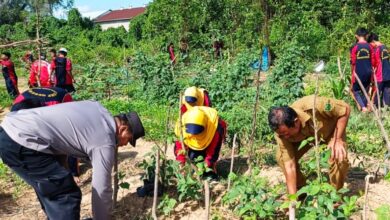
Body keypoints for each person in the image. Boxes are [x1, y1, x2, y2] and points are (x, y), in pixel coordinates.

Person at [0, 100, 145, 220]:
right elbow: (102, 188)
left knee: (55, 190)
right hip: (22, 141)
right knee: (65, 196)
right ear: (122, 128)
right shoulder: (105, 141)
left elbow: (63, 139)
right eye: (129, 139)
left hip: (13, 128)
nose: (125, 144)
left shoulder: (96, 107)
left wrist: (64, 172)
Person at [268, 95, 350, 197]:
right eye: (281, 134)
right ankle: (301, 191)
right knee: (281, 158)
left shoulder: (317, 105)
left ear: (296, 122)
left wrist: (337, 139)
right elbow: (289, 165)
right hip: (302, 138)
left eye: (286, 133)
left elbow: (345, 109)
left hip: (330, 133)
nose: (284, 137)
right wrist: (292, 199)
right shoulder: (281, 132)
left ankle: (335, 195)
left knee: (337, 155)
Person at [174, 106, 227, 180]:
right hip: (192, 145)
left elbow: (212, 152)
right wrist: (181, 163)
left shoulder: (216, 128)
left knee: (208, 173)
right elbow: (180, 146)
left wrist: (202, 168)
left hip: (208, 144)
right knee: (192, 158)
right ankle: (192, 166)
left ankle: (209, 171)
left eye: (198, 133)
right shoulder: (181, 125)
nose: (196, 136)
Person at [350, 27, 374, 112]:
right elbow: (372, 61)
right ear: (366, 35)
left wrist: (352, 73)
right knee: (366, 90)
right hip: (368, 72)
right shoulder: (370, 46)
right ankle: (365, 107)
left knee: (355, 90)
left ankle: (363, 107)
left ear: (356, 36)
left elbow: (353, 62)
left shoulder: (355, 47)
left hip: (358, 72)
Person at [368, 33, 390, 107]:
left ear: (373, 41)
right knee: (387, 91)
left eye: (371, 44)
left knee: (376, 92)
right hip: (388, 73)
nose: (371, 46)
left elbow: (374, 63)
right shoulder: (385, 48)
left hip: (380, 74)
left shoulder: (377, 49)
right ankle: (386, 108)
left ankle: (374, 107)